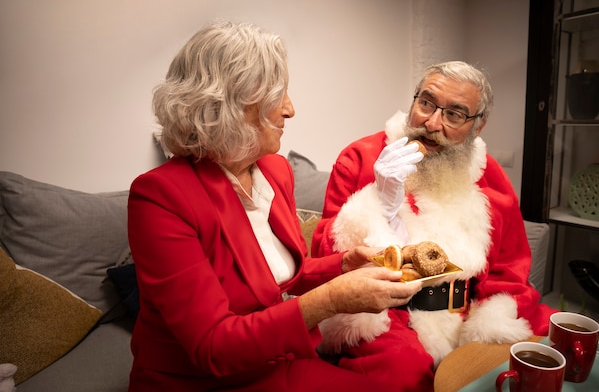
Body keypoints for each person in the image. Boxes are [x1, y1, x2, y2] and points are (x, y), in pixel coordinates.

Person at [126, 21, 423, 392]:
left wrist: (345, 265)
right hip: (202, 381)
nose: (290, 109)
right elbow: (213, 346)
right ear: (228, 103)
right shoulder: (159, 197)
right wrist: (332, 299)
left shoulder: (274, 170)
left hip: (277, 365)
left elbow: (275, 279)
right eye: (277, 94)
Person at [311, 61, 558, 392]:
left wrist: (492, 317)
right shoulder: (359, 158)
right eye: (426, 102)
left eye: (454, 115)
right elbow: (325, 256)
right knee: (405, 371)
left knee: (552, 343)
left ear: (478, 126)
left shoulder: (489, 175)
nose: (431, 122)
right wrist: (379, 203)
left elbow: (509, 270)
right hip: (382, 314)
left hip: (464, 311)